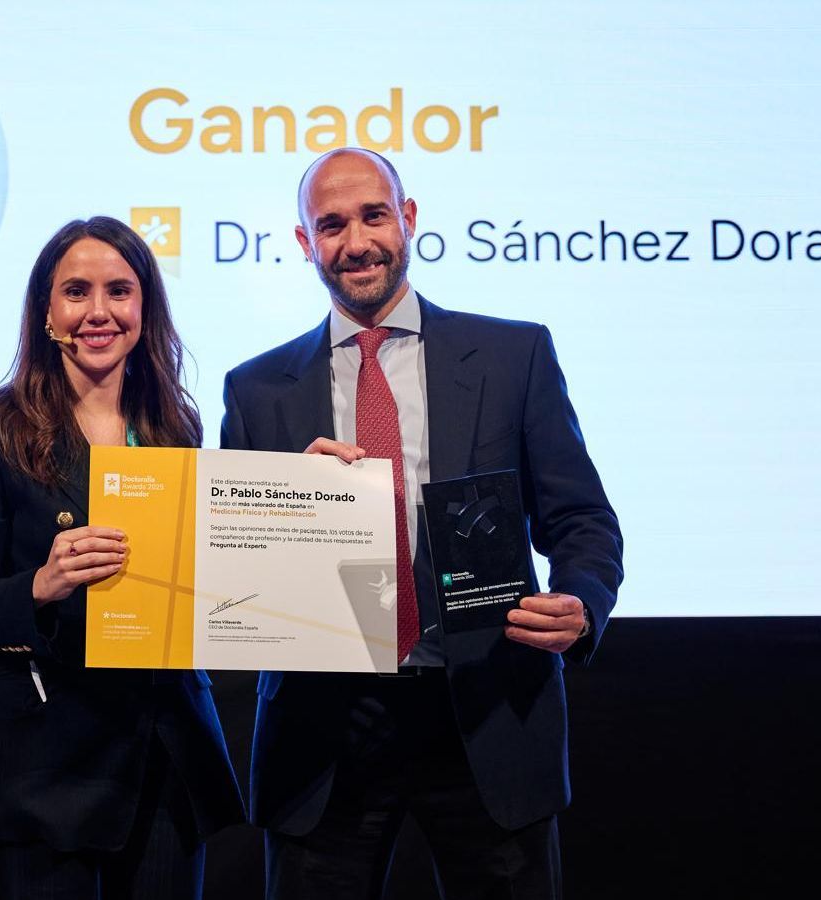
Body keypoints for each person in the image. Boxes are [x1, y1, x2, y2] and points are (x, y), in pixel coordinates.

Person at [220, 148, 623, 899]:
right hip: (325, 731)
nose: (356, 241)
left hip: (487, 709)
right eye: (331, 225)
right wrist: (286, 518)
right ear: (306, 243)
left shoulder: (513, 355)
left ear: (407, 219)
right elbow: (235, 581)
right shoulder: (256, 391)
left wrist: (582, 601)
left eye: (373, 215)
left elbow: (582, 519)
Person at [0, 217, 244, 899]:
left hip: (166, 760)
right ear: (46, 312)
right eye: (76, 292)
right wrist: (41, 585)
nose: (98, 312)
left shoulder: (176, 428)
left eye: (119, 291)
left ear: (145, 308)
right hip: (48, 767)